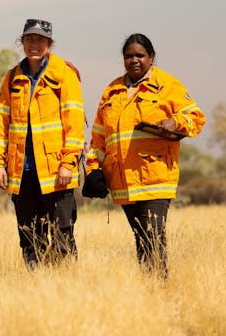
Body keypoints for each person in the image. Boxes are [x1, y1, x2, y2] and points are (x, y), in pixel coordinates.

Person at [85, 33, 206, 278]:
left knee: (153, 237)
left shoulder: (167, 85)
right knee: (141, 239)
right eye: (129, 56)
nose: (134, 60)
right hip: (123, 182)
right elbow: (99, 136)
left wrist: (174, 121)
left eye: (140, 55)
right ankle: (149, 290)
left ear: (151, 57)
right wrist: (93, 170)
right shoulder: (112, 91)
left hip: (155, 178)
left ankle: (159, 289)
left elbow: (197, 117)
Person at [0, 19, 86, 268]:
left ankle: (65, 288)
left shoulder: (64, 74)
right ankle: (36, 288)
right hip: (22, 173)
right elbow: (0, 124)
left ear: (49, 44)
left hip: (56, 172)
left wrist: (69, 163)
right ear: (22, 42)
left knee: (61, 233)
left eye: (40, 40)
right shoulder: (12, 78)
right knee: (30, 235)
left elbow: (74, 123)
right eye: (30, 39)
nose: (35, 44)